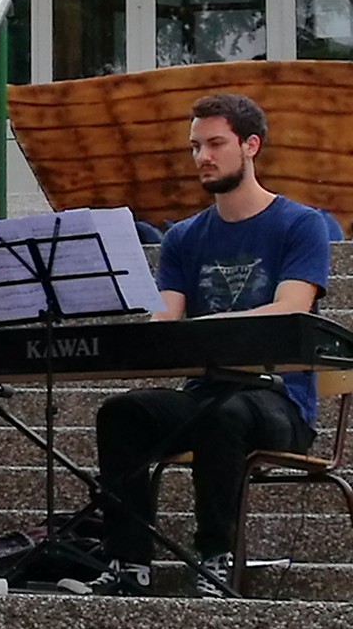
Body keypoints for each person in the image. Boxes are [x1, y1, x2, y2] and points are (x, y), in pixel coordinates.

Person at [91, 92, 331, 597]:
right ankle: (128, 562)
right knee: (122, 413)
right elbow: (166, 317)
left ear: (250, 145)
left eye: (216, 144)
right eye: (196, 146)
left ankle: (216, 556)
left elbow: (291, 308)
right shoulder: (182, 238)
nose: (203, 156)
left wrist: (212, 323)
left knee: (225, 415)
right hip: (206, 394)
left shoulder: (300, 224)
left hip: (280, 402)